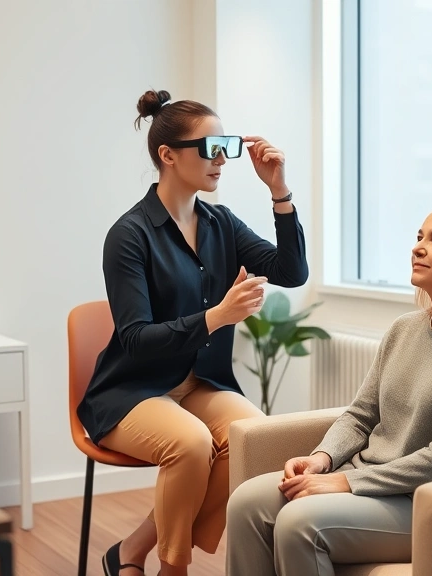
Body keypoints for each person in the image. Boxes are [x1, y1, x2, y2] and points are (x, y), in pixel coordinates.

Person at [75, 89, 308, 576]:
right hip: (133, 389)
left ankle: (131, 550)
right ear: (167, 155)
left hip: (198, 383)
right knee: (193, 444)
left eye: (227, 145)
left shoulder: (220, 222)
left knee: (256, 438)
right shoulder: (130, 234)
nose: (222, 158)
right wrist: (217, 316)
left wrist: (279, 191)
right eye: (209, 147)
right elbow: (136, 338)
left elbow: (291, 270)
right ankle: (173, 567)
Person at [226, 201, 432, 576]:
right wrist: (323, 459)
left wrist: (346, 481)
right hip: (371, 479)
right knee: (245, 503)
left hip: (430, 501)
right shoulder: (405, 328)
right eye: (419, 237)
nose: (418, 247)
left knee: (300, 523)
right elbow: (362, 414)